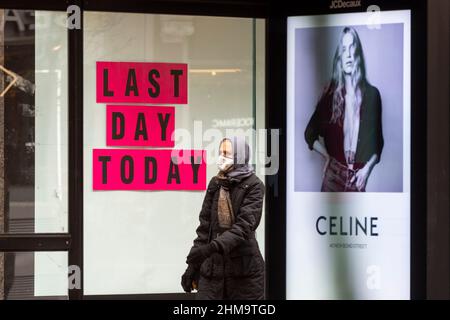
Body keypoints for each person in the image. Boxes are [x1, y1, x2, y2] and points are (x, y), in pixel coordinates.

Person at [181, 136, 265, 299]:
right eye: (220, 152)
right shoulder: (216, 183)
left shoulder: (254, 185)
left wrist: (211, 248)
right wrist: (193, 265)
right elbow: (205, 228)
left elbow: (243, 228)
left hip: (244, 274)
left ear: (239, 156)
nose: (221, 157)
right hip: (213, 272)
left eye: (226, 153)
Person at [304, 26, 384, 192]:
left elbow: (378, 144)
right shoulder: (330, 97)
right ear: (339, 56)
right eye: (343, 49)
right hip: (333, 177)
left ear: (357, 52)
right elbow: (309, 134)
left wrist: (366, 170)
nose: (348, 54)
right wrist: (327, 156)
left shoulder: (372, 95)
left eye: (351, 47)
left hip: (358, 178)